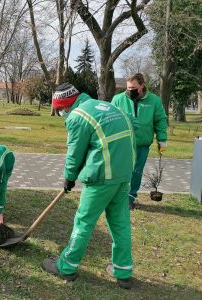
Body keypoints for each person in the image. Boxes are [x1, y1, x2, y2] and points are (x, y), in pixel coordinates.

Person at [41, 83, 136, 289]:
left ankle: (66, 266)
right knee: (120, 223)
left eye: (59, 110)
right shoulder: (106, 106)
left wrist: (69, 177)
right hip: (123, 174)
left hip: (102, 176)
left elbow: (75, 152)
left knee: (83, 222)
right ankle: (123, 271)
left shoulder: (77, 116)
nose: (60, 114)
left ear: (65, 105)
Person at [111, 73, 167, 210]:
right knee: (121, 170)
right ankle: (117, 196)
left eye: (133, 87)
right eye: (128, 88)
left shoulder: (154, 101)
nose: (130, 90)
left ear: (142, 86)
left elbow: (160, 120)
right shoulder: (118, 99)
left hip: (142, 144)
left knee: (136, 172)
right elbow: (110, 119)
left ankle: (130, 197)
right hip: (123, 143)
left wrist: (162, 140)